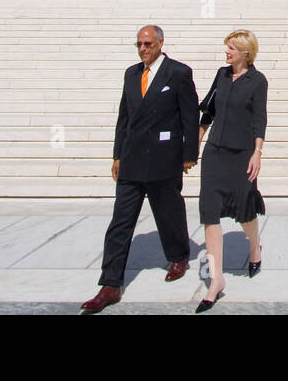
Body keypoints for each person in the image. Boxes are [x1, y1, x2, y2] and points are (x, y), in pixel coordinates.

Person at [81, 25, 199, 314]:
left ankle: (178, 255)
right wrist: (117, 155)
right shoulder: (132, 74)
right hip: (132, 160)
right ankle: (110, 284)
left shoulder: (178, 73)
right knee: (120, 222)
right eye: (139, 44)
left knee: (168, 212)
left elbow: (189, 115)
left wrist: (189, 155)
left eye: (147, 43)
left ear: (160, 43)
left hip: (163, 158)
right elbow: (125, 116)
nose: (143, 49)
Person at [195, 29, 267, 313]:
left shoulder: (258, 81)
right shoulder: (222, 75)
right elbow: (208, 110)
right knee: (209, 213)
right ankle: (216, 279)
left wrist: (257, 152)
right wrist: (196, 143)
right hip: (215, 152)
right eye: (227, 47)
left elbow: (260, 118)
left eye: (232, 48)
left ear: (245, 53)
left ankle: (254, 246)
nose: (227, 52)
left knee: (244, 210)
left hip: (241, 154)